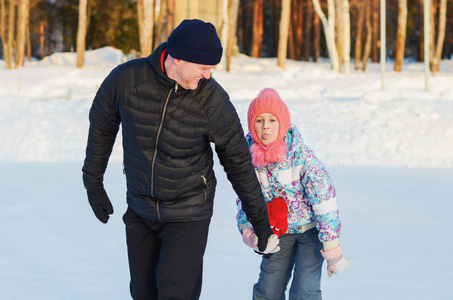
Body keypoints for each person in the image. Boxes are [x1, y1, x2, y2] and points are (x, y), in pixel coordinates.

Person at [82, 19, 279, 300]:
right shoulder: (126, 80)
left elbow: (238, 162)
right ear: (179, 58)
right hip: (140, 209)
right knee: (142, 293)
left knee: (175, 294)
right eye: (204, 68)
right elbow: (101, 125)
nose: (208, 76)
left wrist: (260, 222)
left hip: (188, 213)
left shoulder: (213, 101)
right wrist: (93, 183)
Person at [236, 88, 350, 300]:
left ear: (283, 123)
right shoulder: (249, 160)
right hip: (277, 233)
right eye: (259, 121)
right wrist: (251, 233)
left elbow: (324, 200)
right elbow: (245, 201)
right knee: (268, 288)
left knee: (305, 289)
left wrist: (331, 246)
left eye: (272, 120)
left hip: (310, 232)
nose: (265, 126)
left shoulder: (301, 155)